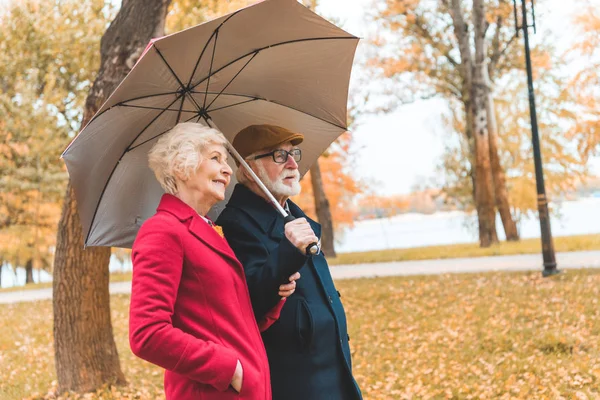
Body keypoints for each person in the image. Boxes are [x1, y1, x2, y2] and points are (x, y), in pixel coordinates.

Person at [128, 122, 299, 400]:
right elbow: (147, 333)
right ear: (182, 165)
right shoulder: (163, 231)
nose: (228, 169)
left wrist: (275, 295)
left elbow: (230, 322)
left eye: (226, 160)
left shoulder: (206, 231)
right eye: (215, 158)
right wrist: (230, 369)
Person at [216, 124, 363, 400]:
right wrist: (288, 251)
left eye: (293, 153)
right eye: (278, 156)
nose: (293, 163)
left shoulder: (294, 216)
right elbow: (250, 302)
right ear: (248, 170)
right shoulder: (236, 224)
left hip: (334, 370)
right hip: (297, 380)